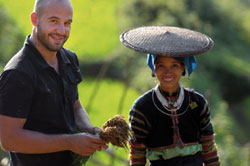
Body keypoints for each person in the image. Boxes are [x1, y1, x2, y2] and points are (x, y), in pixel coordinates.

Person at [0, 0, 107, 166]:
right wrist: (70, 142)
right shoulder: (18, 73)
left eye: (67, 23)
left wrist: (89, 129)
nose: (61, 31)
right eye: (54, 21)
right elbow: (9, 139)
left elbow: (75, 106)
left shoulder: (70, 59)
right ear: (35, 19)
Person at [119, 26, 220, 166]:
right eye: (161, 66)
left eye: (174, 66)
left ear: (183, 68)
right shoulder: (142, 108)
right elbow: (137, 153)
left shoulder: (198, 103)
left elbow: (208, 146)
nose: (168, 72)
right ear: (153, 68)